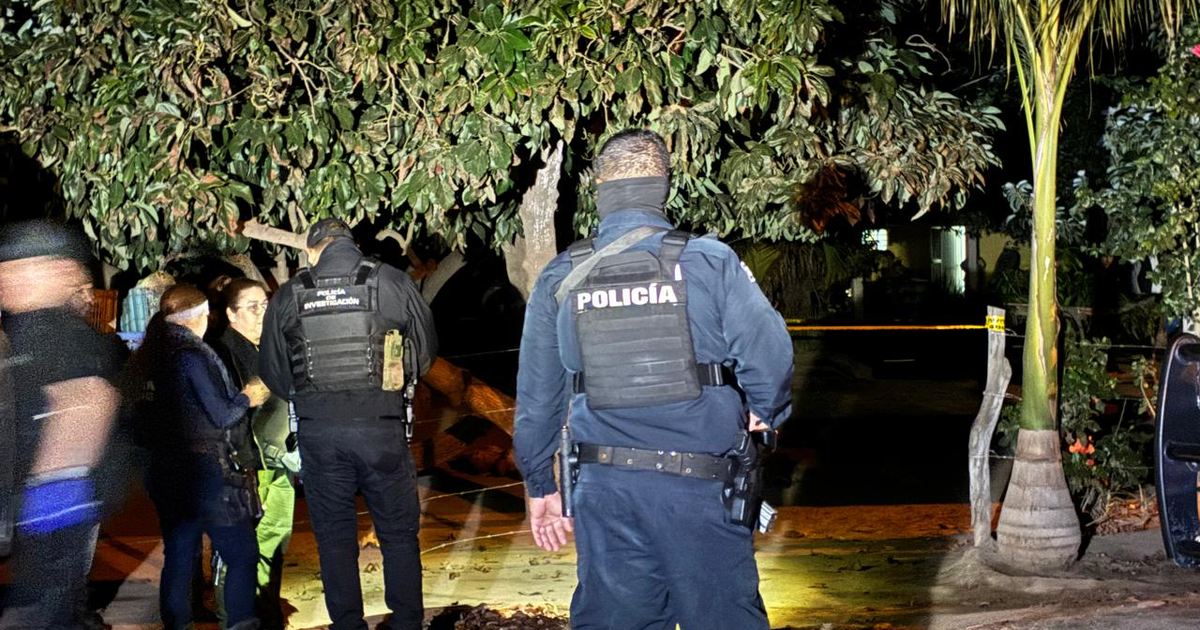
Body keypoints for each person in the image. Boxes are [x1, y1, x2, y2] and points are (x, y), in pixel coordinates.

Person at [513, 130, 795, 629]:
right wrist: (766, 410)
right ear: (664, 185)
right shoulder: (708, 260)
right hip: (702, 488)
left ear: (598, 188)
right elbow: (769, 353)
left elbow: (538, 398)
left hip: (604, 490)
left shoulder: (561, 276)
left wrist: (540, 485)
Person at [257, 218, 437, 630]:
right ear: (352, 245)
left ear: (312, 251)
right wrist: (390, 382)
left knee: (334, 539)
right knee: (398, 535)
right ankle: (407, 623)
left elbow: (274, 372)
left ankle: (348, 625)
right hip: (381, 427)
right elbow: (424, 353)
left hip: (320, 432)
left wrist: (312, 396)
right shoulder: (391, 281)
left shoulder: (289, 294)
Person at [0, 220, 123, 630]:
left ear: (60, 271)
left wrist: (37, 499)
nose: (5, 278)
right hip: (46, 514)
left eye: (18, 267)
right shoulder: (23, 331)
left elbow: (91, 405)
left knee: (43, 610)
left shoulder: (58, 334)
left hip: (51, 514)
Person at [135, 284, 269, 630]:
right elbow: (221, 414)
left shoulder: (148, 355)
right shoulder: (191, 356)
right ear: (198, 317)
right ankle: (240, 623)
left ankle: (178, 625)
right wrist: (247, 397)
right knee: (241, 553)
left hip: (163, 471)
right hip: (204, 472)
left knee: (180, 557)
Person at [211, 278, 300, 630]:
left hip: (277, 463)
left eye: (265, 304)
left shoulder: (272, 347)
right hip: (244, 467)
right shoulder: (221, 353)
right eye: (252, 307)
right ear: (231, 314)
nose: (263, 313)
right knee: (240, 552)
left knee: (275, 542)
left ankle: (266, 612)